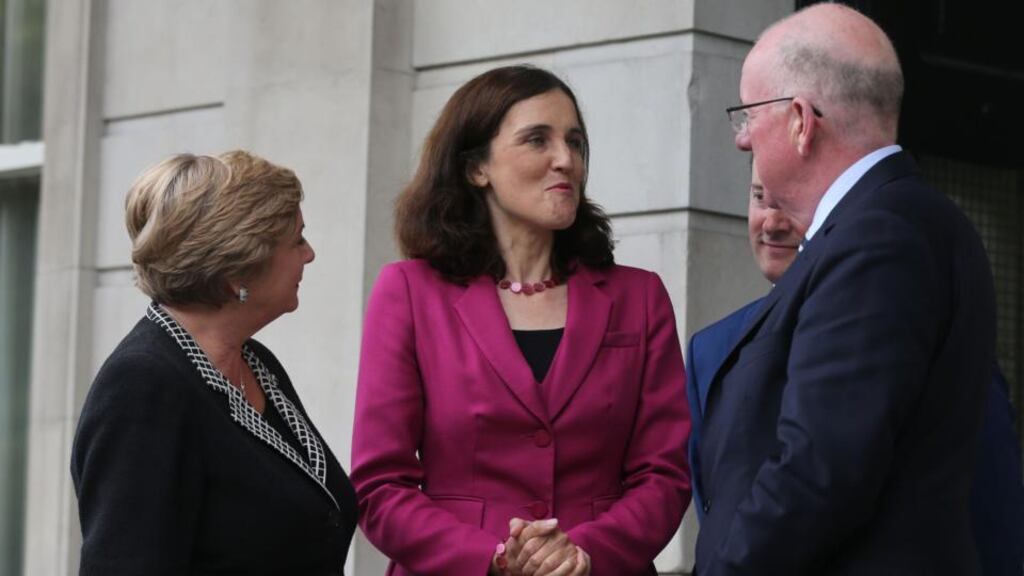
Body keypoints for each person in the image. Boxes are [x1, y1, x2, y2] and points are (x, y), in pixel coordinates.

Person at [350, 65, 691, 576]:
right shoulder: (408, 292)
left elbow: (665, 474)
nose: (566, 160)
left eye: (575, 142)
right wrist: (489, 559)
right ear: (476, 168)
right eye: (538, 140)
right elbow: (379, 485)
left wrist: (585, 552)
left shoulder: (639, 296)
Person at [695, 3, 997, 574]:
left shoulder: (879, 237)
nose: (742, 141)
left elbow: (818, 470)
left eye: (748, 115)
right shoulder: (891, 223)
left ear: (800, 122)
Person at [687, 164, 1024, 574]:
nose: (772, 222)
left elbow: (992, 491)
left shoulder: (909, 317)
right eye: (760, 198)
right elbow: (719, 504)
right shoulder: (710, 349)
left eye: (786, 202)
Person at [71, 151, 357, 575]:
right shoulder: (142, 386)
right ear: (238, 269)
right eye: (297, 239)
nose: (310, 254)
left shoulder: (257, 364)